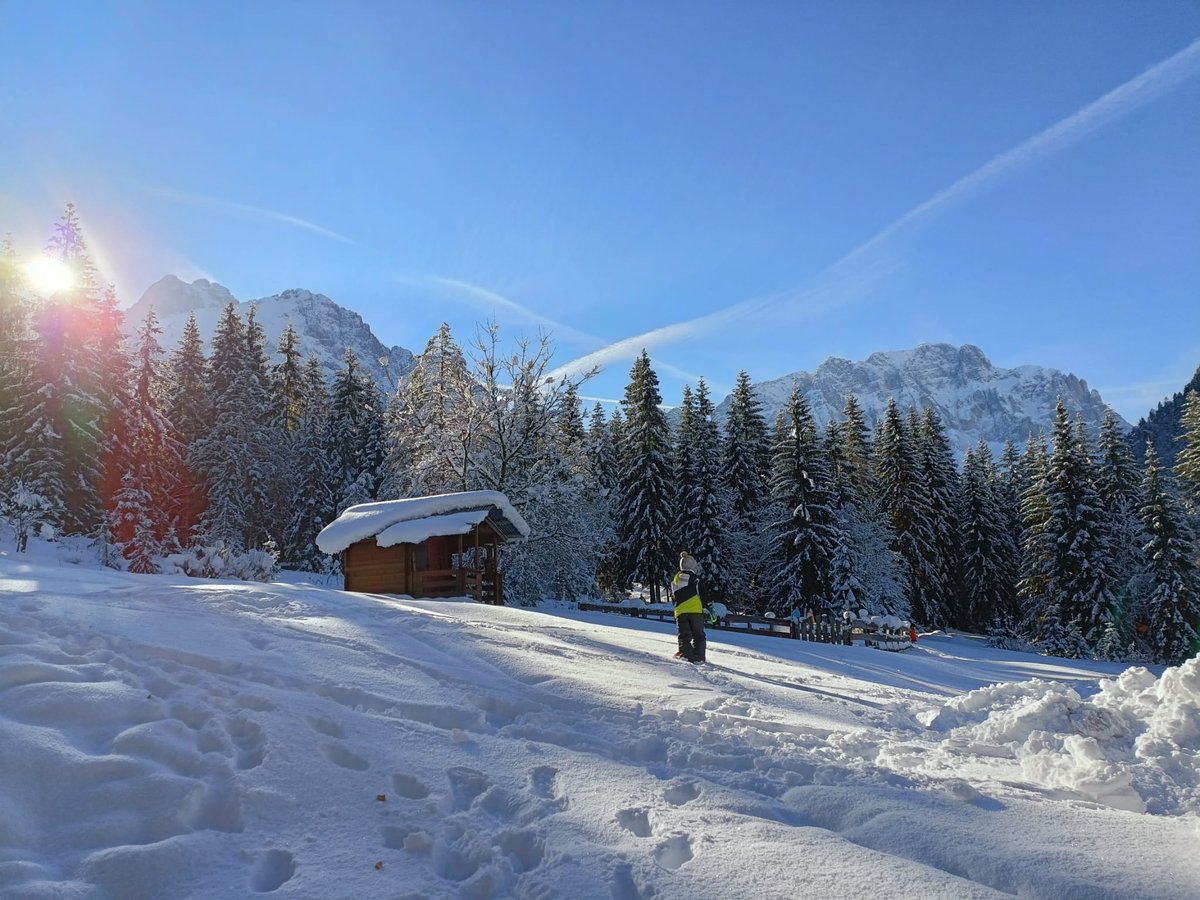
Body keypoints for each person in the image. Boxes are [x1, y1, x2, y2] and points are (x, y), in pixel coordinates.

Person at [671, 551, 706, 663]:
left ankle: (686, 655)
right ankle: (699, 657)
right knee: (698, 635)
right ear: (693, 566)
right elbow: (703, 595)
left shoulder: (675, 581)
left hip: (681, 612)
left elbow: (674, 598)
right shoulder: (696, 579)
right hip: (696, 611)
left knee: (684, 635)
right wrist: (709, 607)